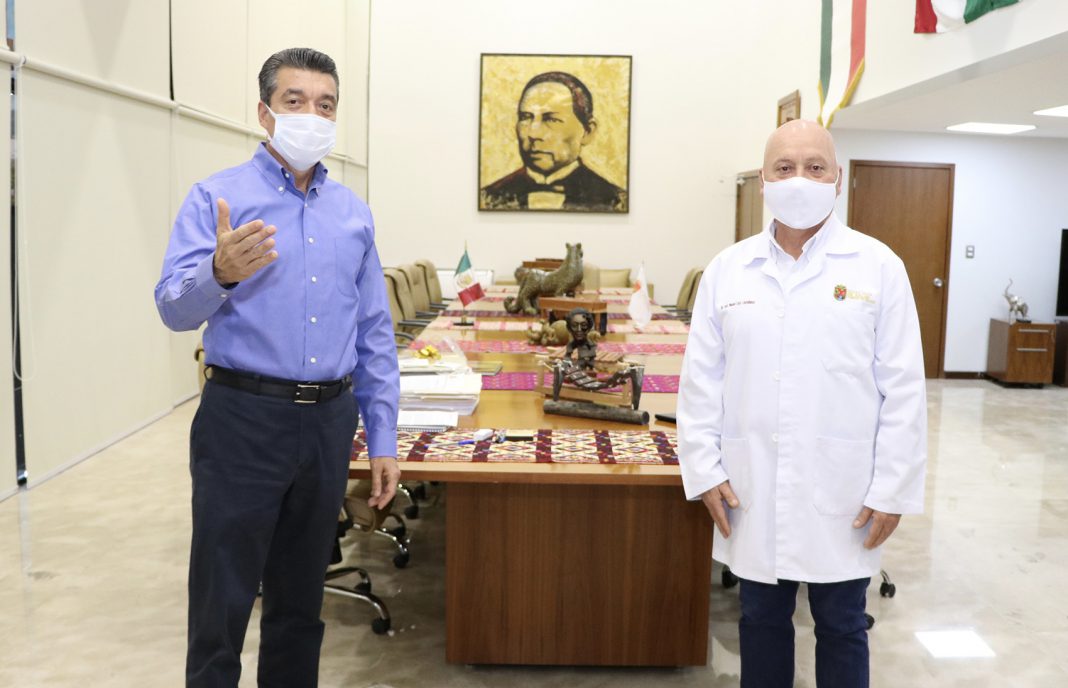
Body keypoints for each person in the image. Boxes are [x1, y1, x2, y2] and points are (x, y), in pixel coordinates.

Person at [155, 47, 400, 688]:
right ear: (265, 112)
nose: (311, 115)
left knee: (300, 601)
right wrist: (217, 273)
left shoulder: (352, 213)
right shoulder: (218, 197)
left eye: (326, 105)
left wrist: (383, 436)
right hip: (242, 418)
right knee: (223, 597)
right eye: (296, 101)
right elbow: (173, 309)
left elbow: (374, 332)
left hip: (327, 422)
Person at [677, 119, 927, 688]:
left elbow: (904, 389)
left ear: (838, 179)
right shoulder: (728, 270)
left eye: (815, 168)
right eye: (784, 168)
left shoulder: (878, 267)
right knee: (760, 620)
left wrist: (893, 489)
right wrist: (704, 470)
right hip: (751, 486)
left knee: (842, 624)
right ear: (763, 180)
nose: (799, 179)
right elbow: (701, 383)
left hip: (845, 490)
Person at [480, 71, 627, 212]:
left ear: (587, 131)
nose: (534, 134)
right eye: (526, 117)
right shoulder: (487, 198)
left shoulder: (616, 201)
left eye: (551, 119)